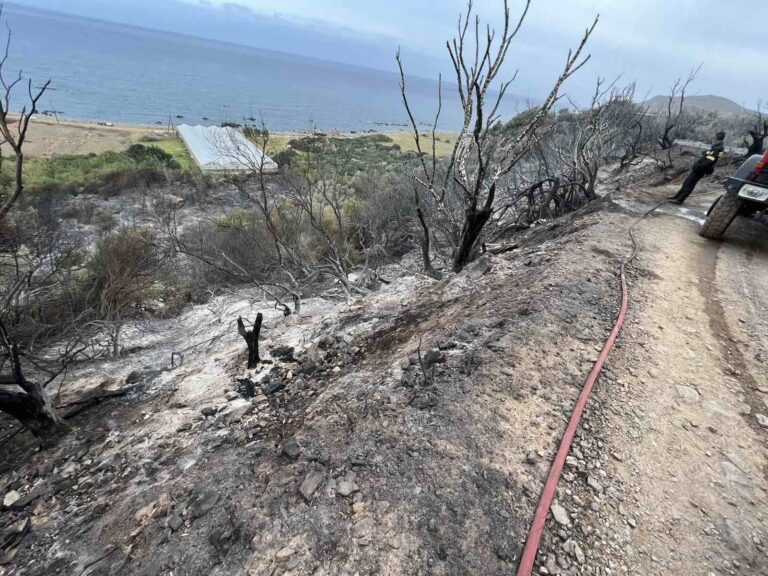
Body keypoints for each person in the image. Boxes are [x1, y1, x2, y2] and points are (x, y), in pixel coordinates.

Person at [668, 131, 726, 205]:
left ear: (717, 138)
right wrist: (705, 153)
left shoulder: (719, 148)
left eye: (714, 137)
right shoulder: (716, 146)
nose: (713, 138)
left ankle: (680, 200)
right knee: (686, 182)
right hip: (699, 167)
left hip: (701, 169)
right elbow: (708, 154)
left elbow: (710, 161)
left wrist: (698, 166)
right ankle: (676, 196)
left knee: (690, 184)